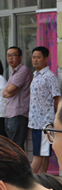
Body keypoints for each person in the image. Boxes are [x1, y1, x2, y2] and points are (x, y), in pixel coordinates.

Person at [28, 46, 61, 174]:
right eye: (33, 57)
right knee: (42, 155)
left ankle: (27, 184)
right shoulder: (35, 75)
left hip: (45, 123)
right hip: (35, 122)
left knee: (38, 157)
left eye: (38, 57)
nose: (35, 60)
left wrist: (55, 120)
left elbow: (57, 98)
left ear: (46, 59)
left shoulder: (50, 76)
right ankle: (42, 184)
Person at [3, 46, 33, 148]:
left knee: (16, 147)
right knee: (13, 147)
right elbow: (4, 93)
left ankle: (19, 164)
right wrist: (10, 90)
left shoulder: (23, 70)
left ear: (20, 57)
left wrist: (10, 90)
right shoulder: (13, 72)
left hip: (18, 114)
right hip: (10, 114)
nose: (10, 58)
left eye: (13, 55)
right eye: (8, 55)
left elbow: (10, 90)